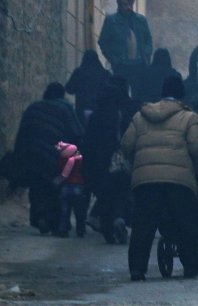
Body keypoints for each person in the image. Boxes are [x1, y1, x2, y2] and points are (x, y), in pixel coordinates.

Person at [121, 76, 198, 281]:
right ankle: (190, 265)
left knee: (143, 224)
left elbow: (126, 144)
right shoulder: (189, 117)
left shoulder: (140, 116)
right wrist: (195, 167)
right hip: (179, 180)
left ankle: (137, 268)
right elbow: (197, 148)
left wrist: (140, 162)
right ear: (181, 94)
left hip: (146, 180)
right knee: (185, 221)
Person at [13, 83, 84, 235]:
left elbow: (22, 133)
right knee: (54, 187)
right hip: (54, 155)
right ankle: (53, 221)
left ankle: (40, 215)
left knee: (37, 185)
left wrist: (19, 156)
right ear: (62, 94)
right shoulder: (66, 108)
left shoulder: (33, 107)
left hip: (32, 153)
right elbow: (76, 133)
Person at [82, 84, 131, 244]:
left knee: (104, 195)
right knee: (120, 192)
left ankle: (107, 230)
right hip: (115, 160)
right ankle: (118, 217)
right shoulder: (119, 114)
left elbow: (88, 140)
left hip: (96, 162)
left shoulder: (96, 115)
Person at [98, 0, 153, 95]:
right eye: (125, 4)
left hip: (139, 64)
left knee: (139, 94)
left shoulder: (140, 20)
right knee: (121, 93)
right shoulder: (111, 21)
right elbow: (103, 41)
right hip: (121, 64)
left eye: (130, 4)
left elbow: (148, 39)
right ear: (119, 5)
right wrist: (113, 58)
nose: (128, 7)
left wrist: (147, 51)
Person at [65, 49, 111, 124]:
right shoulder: (105, 74)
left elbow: (69, 89)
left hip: (82, 109)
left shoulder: (79, 72)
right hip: (100, 109)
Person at [54, 142, 88, 238]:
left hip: (65, 187)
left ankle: (62, 229)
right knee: (78, 211)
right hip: (77, 187)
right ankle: (80, 229)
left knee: (65, 210)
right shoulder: (78, 161)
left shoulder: (62, 161)